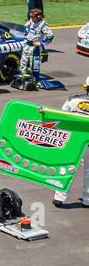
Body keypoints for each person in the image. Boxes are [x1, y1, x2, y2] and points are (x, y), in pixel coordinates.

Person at [53, 76, 89, 206]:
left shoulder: (72, 100)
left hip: (73, 142)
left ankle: (59, 197)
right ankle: (87, 199)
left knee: (66, 168)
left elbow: (61, 118)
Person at [17, 8, 53, 84]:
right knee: (23, 61)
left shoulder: (43, 25)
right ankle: (22, 77)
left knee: (34, 64)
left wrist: (42, 43)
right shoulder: (30, 21)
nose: (31, 18)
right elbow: (25, 30)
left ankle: (35, 80)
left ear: (39, 16)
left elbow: (50, 36)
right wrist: (26, 36)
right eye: (30, 16)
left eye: (33, 16)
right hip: (27, 45)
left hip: (35, 48)